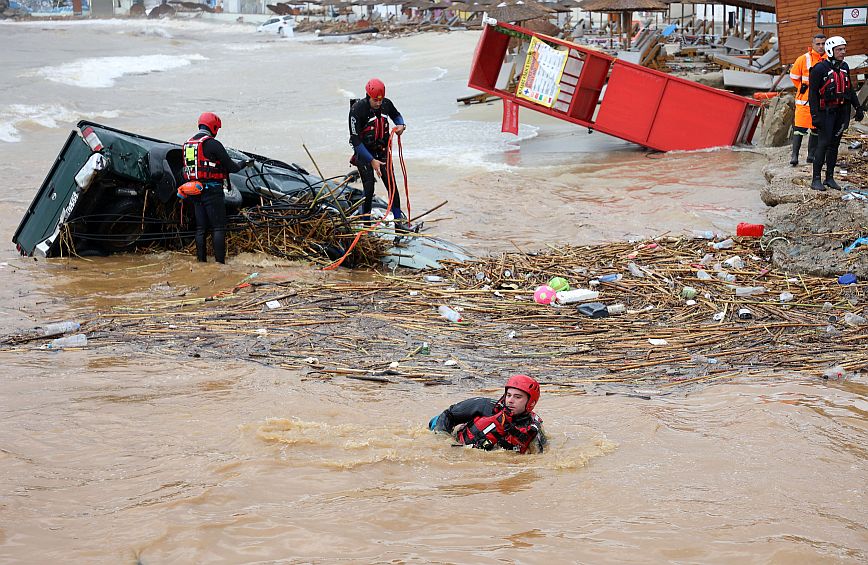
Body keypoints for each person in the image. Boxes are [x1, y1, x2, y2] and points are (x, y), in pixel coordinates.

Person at [181, 112, 252, 263]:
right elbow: (232, 167)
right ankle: (220, 264)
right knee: (218, 228)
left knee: (201, 228)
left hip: (194, 190)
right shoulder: (212, 143)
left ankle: (202, 262)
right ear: (213, 127)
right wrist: (244, 163)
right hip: (212, 191)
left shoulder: (188, 143)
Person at [428, 374, 547, 454]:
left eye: (518, 397)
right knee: (435, 422)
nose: (510, 400)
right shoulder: (484, 406)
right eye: (508, 395)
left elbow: (541, 456)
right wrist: (442, 442)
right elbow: (448, 414)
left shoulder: (533, 428)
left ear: (531, 402)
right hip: (458, 441)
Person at [348, 78, 408, 231]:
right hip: (364, 153)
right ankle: (367, 227)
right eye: (375, 100)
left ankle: (399, 225)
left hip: (382, 152)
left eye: (380, 100)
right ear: (368, 96)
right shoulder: (356, 110)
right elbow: (356, 141)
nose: (379, 103)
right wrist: (371, 161)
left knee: (392, 188)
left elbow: (396, 115)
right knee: (369, 191)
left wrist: (401, 124)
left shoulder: (386, 104)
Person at [808, 36, 864, 191]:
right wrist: (815, 116)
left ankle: (829, 178)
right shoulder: (819, 69)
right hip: (825, 113)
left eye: (844, 49)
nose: (843, 52)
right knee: (823, 144)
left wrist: (858, 108)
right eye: (839, 49)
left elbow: (850, 90)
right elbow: (812, 94)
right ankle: (816, 179)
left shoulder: (845, 66)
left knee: (834, 146)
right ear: (830, 51)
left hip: (840, 113)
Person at [789, 34, 827, 166]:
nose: (821, 46)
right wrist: (802, 88)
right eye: (818, 44)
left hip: (820, 101)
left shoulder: (828, 59)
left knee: (816, 128)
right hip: (804, 101)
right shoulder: (803, 59)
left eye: (823, 43)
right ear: (813, 45)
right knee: (799, 128)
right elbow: (794, 77)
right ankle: (795, 156)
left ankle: (811, 155)